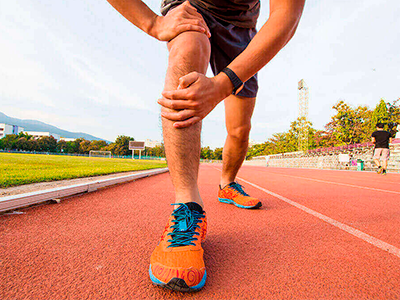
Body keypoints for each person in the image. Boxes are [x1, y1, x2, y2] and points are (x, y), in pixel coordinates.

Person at [106, 0, 305, 292]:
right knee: (187, 50)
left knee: (239, 129)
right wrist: (152, 23)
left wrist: (224, 84)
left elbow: (286, 16)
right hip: (192, 7)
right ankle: (187, 206)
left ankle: (228, 184)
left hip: (241, 28)